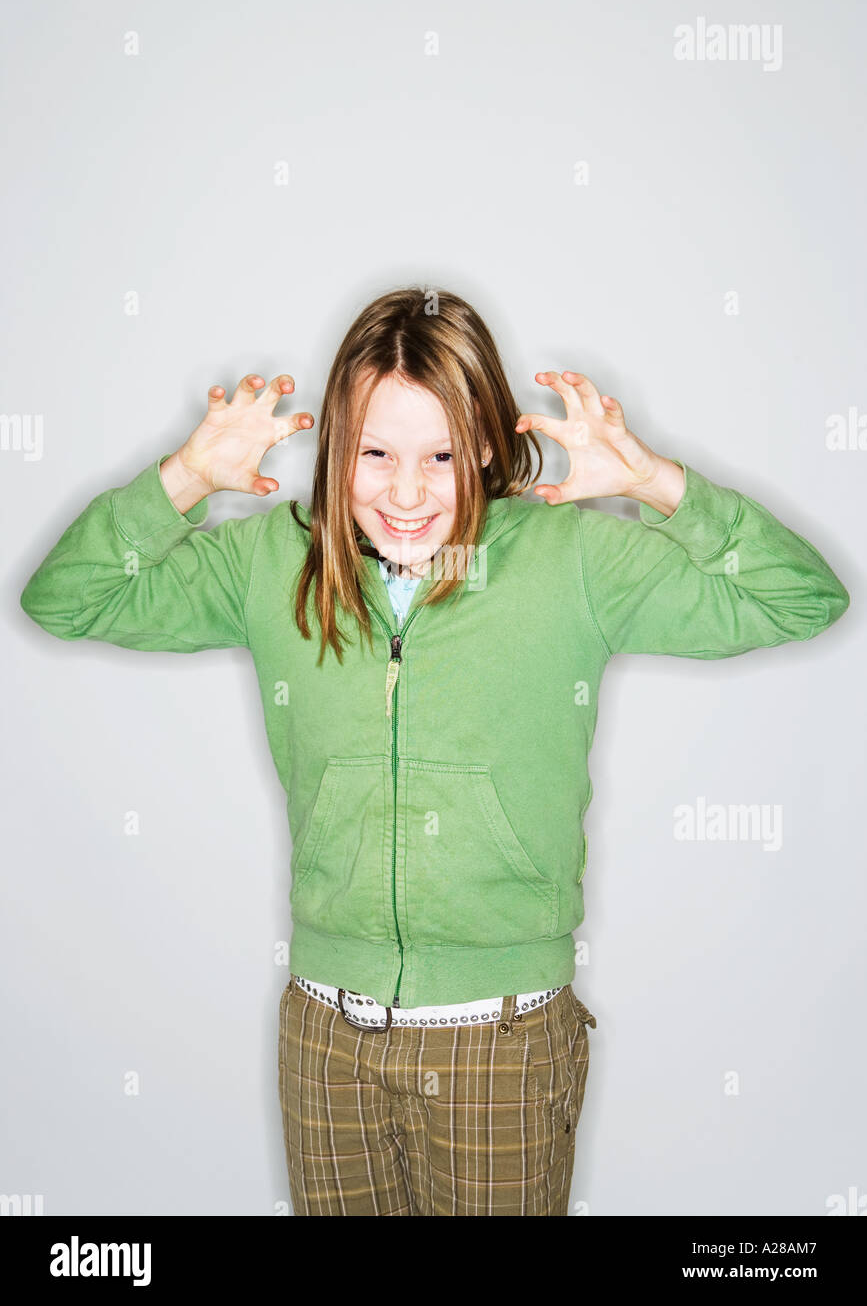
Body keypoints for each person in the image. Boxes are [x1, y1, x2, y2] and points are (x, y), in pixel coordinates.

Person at [19, 286, 850, 1216]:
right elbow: (65, 600)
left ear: (488, 446)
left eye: (442, 456)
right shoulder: (274, 562)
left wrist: (661, 486)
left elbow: (801, 600)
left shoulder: (570, 560)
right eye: (373, 454)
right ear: (335, 448)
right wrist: (180, 479)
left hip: (499, 1040)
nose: (406, 493)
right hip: (326, 1033)